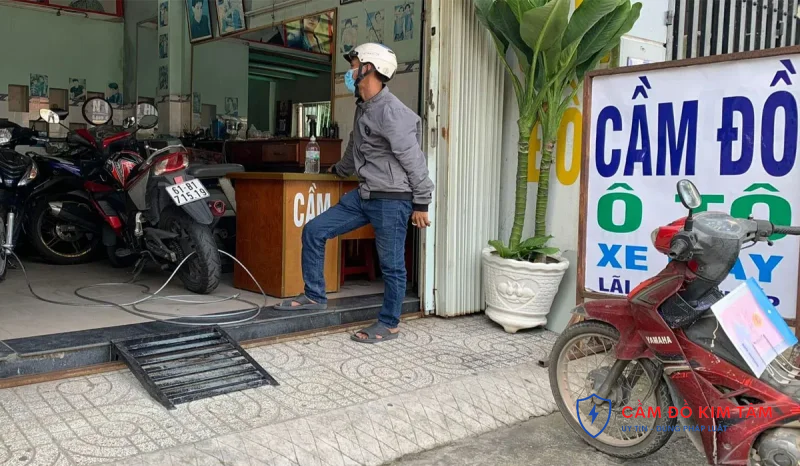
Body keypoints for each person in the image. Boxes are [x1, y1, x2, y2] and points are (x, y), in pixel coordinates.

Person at [276, 43, 434, 344]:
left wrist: (422, 202)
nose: (349, 72)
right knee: (314, 230)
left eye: (353, 65)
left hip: (391, 199)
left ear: (369, 68)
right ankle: (315, 295)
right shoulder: (364, 107)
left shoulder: (391, 111)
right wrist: (338, 169)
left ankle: (389, 324)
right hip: (365, 195)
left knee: (392, 266)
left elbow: (414, 160)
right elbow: (356, 147)